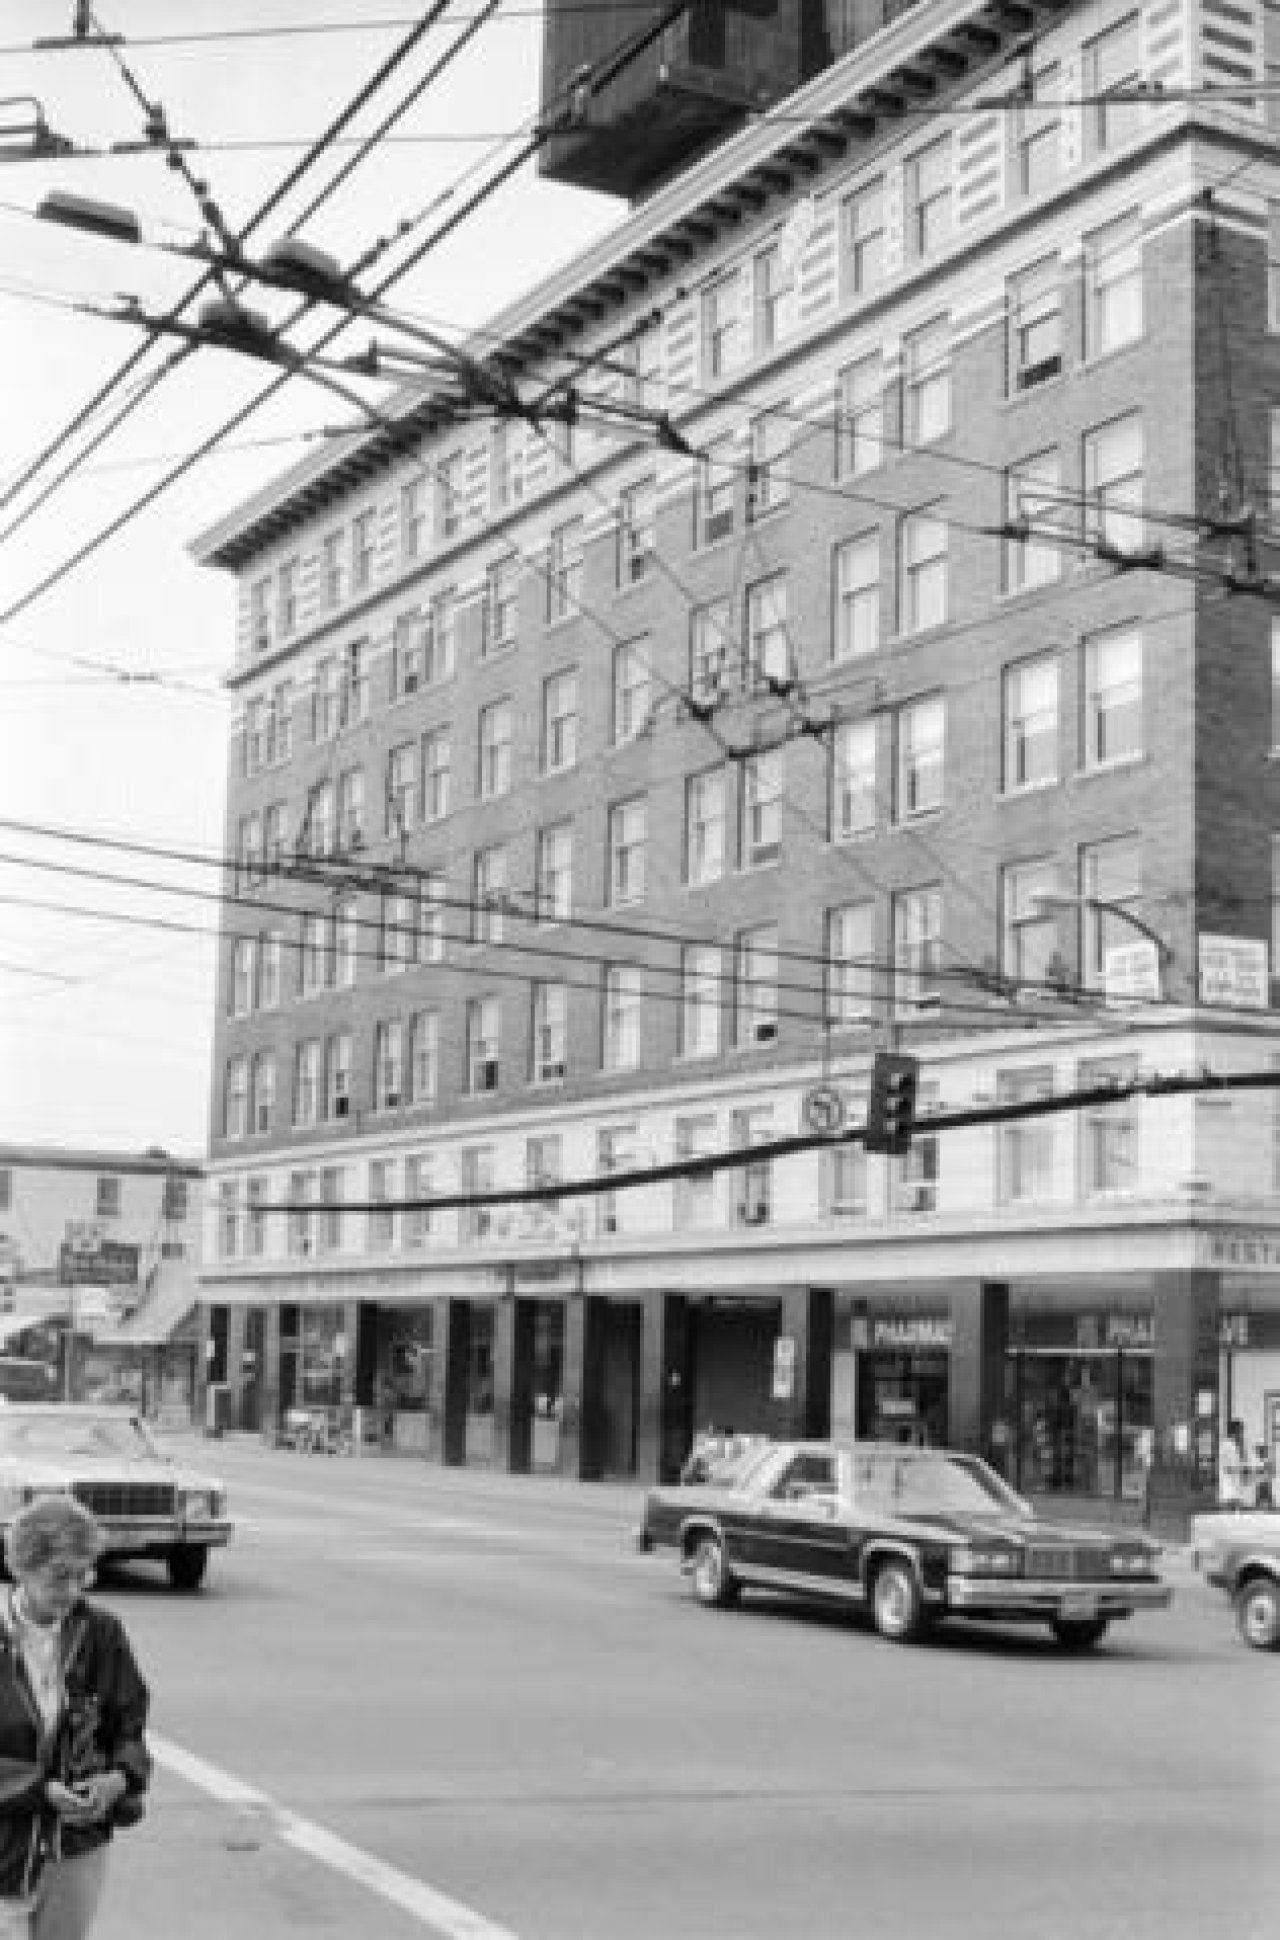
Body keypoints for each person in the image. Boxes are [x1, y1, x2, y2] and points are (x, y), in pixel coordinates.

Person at [0, 1497, 150, 1940]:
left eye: (82, 1575)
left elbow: (129, 1726)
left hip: (77, 1845)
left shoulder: (102, 1632)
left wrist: (119, 1778)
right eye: (58, 1577)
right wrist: (40, 1788)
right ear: (19, 1568)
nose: (72, 1591)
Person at [1218, 1417, 1249, 1508]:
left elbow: (1243, 1462)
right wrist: (1243, 1469)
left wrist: (1242, 1448)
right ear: (1234, 1432)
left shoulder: (1237, 1446)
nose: (1242, 1434)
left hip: (1237, 1490)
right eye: (1240, 1431)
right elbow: (1228, 1468)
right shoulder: (1226, 1446)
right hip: (1228, 1490)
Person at [1254, 1442, 1275, 1510]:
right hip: (1262, 1483)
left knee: (1265, 1497)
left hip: (1265, 1483)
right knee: (1261, 1498)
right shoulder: (1259, 1461)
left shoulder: (1267, 1462)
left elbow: (1270, 1473)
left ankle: (1267, 1507)